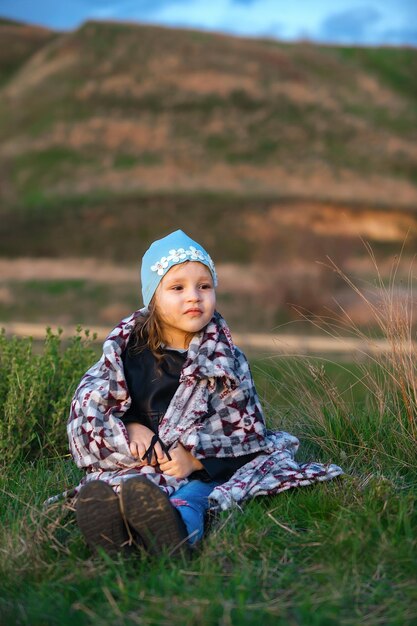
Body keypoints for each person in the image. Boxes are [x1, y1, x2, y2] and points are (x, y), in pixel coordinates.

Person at [67, 229, 342, 557]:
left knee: (192, 497)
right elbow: (97, 401)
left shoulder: (225, 359)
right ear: (153, 297)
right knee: (126, 488)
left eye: (204, 286)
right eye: (177, 288)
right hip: (144, 463)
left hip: (201, 467)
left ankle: (177, 537)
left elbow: (245, 432)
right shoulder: (129, 351)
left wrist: (194, 460)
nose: (194, 297)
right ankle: (116, 533)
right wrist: (129, 425)